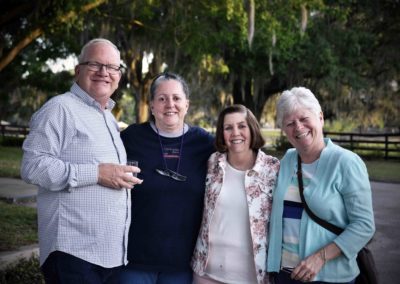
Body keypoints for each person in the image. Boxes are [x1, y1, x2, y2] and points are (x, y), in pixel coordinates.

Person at [21, 38, 142, 283]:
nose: (104, 73)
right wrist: (97, 173)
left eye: (112, 68)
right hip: (74, 255)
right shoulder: (60, 109)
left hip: (109, 256)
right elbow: (33, 167)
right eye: (95, 64)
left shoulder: (108, 117)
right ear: (78, 70)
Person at [267, 87, 375, 283]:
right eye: (290, 123)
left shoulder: (346, 162)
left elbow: (364, 226)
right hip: (285, 274)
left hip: (329, 276)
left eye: (304, 119)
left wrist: (320, 257)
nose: (298, 128)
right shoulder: (287, 161)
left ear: (320, 117)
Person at [119, 72, 215, 284]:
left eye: (176, 98)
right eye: (162, 99)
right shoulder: (131, 138)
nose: (169, 104)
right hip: (134, 260)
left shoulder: (205, 143)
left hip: (182, 263)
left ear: (187, 105)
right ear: (152, 105)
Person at [191, 104, 280, 284]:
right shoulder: (212, 163)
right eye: (228, 128)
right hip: (206, 274)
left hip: (252, 277)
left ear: (252, 129)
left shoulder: (273, 168)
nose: (235, 133)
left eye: (241, 126)